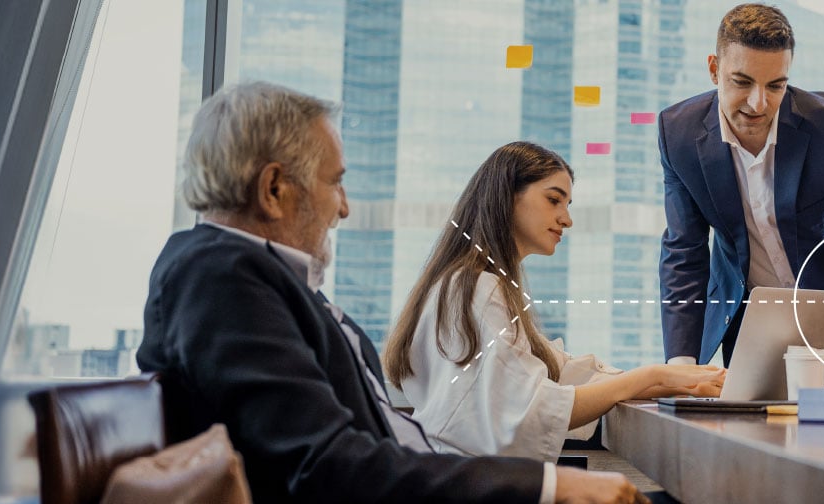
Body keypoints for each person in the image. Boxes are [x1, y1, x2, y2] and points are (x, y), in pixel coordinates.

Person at [138, 81, 644, 503]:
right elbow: (325, 463)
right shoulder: (221, 279)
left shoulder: (252, 278)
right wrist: (547, 486)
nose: (344, 208)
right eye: (334, 183)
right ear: (274, 190)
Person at [383, 141, 726, 461]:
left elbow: (557, 369)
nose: (567, 219)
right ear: (507, 197)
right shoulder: (477, 289)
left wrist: (670, 380)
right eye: (553, 200)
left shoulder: (469, 283)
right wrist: (651, 375)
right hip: (472, 482)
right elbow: (534, 407)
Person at [657, 3, 824, 377]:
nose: (759, 103)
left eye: (775, 85)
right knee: (753, 433)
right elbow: (684, 252)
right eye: (742, 82)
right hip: (753, 326)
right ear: (714, 69)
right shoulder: (679, 133)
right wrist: (680, 365)